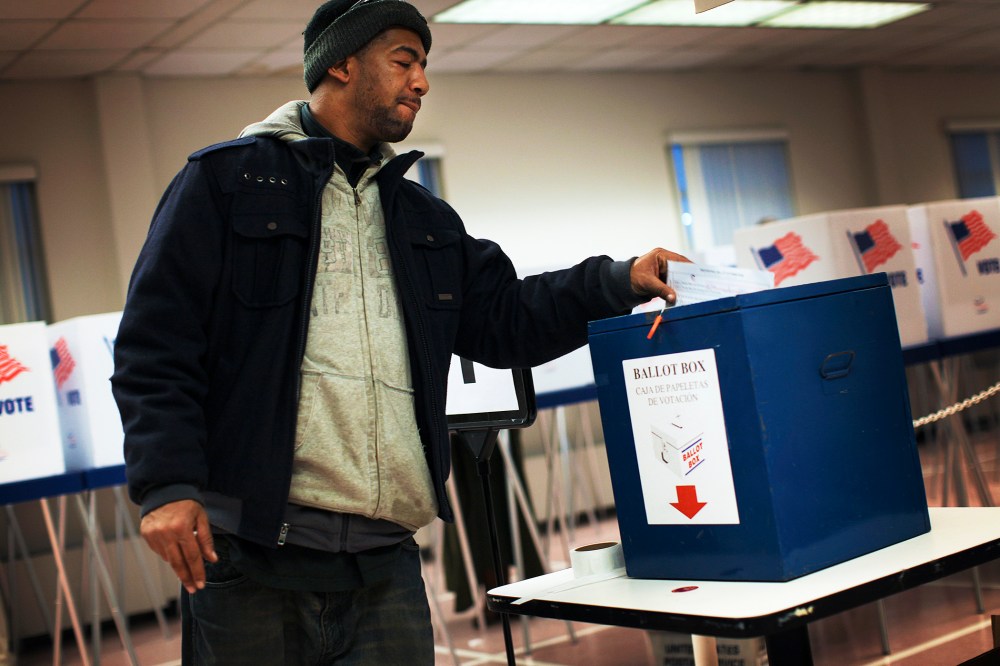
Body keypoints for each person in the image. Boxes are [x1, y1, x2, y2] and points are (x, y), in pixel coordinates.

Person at [111, 0, 688, 663]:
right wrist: (166, 484)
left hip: (384, 563)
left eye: (424, 65)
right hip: (254, 559)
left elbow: (504, 317)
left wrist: (618, 281)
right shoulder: (227, 182)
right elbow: (157, 344)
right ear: (342, 64)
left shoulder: (421, 217)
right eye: (404, 61)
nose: (422, 82)